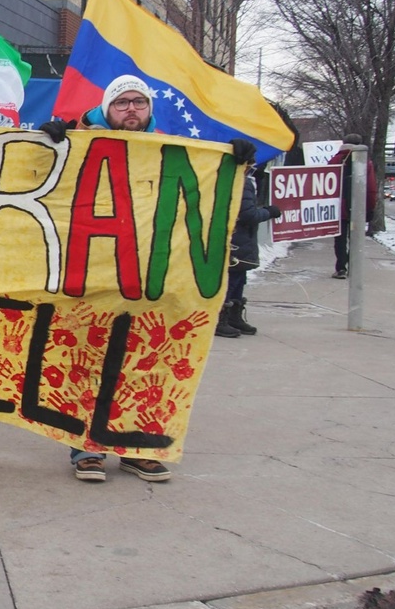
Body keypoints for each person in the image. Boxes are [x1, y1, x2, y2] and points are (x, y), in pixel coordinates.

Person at [40, 74, 259, 484]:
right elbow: (33, 170)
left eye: (139, 102)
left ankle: (138, 448)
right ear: (107, 109)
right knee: (86, 360)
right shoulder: (75, 138)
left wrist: (235, 160)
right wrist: (46, 137)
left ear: (149, 109)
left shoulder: (169, 149)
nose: (131, 110)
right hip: (90, 272)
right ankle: (86, 447)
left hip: (147, 274)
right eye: (121, 103)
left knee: (145, 361)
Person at [219, 166, 283, 337]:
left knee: (238, 277)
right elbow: (248, 215)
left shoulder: (226, 176)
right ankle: (222, 318)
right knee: (233, 278)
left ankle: (232, 316)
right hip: (239, 238)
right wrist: (269, 212)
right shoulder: (242, 182)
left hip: (233, 237)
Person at [327, 133, 377, 279]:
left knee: (340, 239)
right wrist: (370, 208)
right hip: (358, 208)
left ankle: (341, 268)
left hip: (338, 208)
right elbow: (371, 188)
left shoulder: (334, 160)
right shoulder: (365, 163)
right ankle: (354, 267)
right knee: (356, 238)